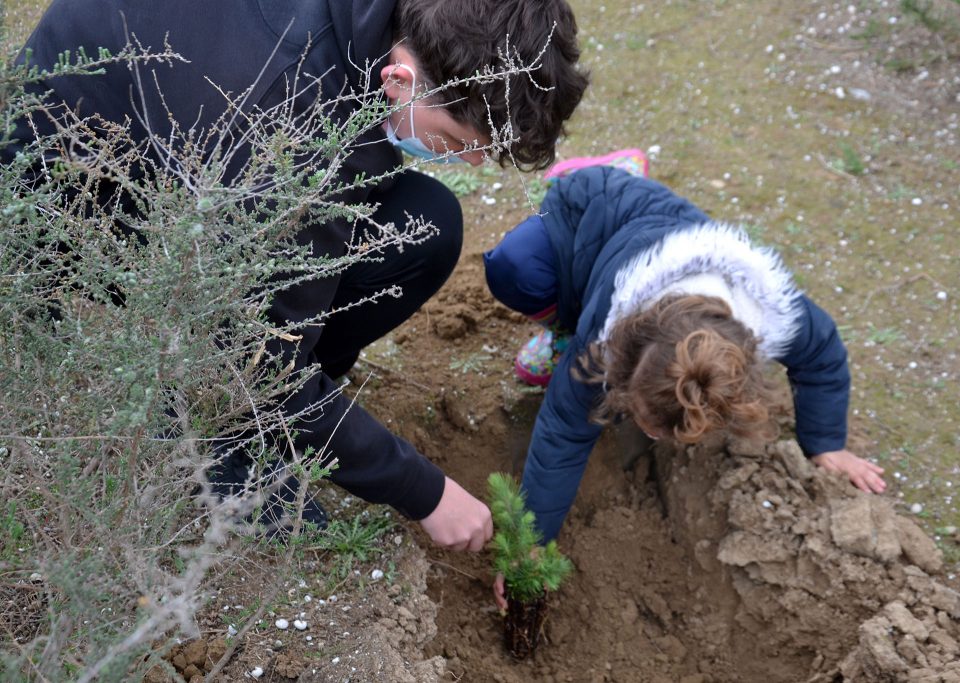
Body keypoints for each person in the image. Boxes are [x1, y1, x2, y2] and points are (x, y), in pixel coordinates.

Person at [6, 0, 588, 551]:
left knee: (425, 223)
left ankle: (289, 409)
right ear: (400, 77)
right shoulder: (287, 119)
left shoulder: (376, 31)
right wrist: (425, 491)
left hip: (186, 149)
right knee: (251, 364)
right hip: (74, 216)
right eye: (462, 142)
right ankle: (220, 430)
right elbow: (254, 359)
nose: (471, 162)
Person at [484, 163, 886, 605]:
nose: (653, 435)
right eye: (643, 418)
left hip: (664, 234)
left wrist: (827, 443)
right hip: (591, 212)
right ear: (624, 358)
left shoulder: (774, 312)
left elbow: (823, 356)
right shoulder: (605, 335)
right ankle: (565, 322)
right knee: (513, 267)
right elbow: (562, 430)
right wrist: (531, 544)